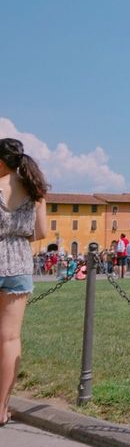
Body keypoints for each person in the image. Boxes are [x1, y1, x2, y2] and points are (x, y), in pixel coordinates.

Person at [0, 138, 48, 426]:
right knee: (9, 338)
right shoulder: (35, 189)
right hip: (18, 264)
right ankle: (2, 408)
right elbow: (40, 231)